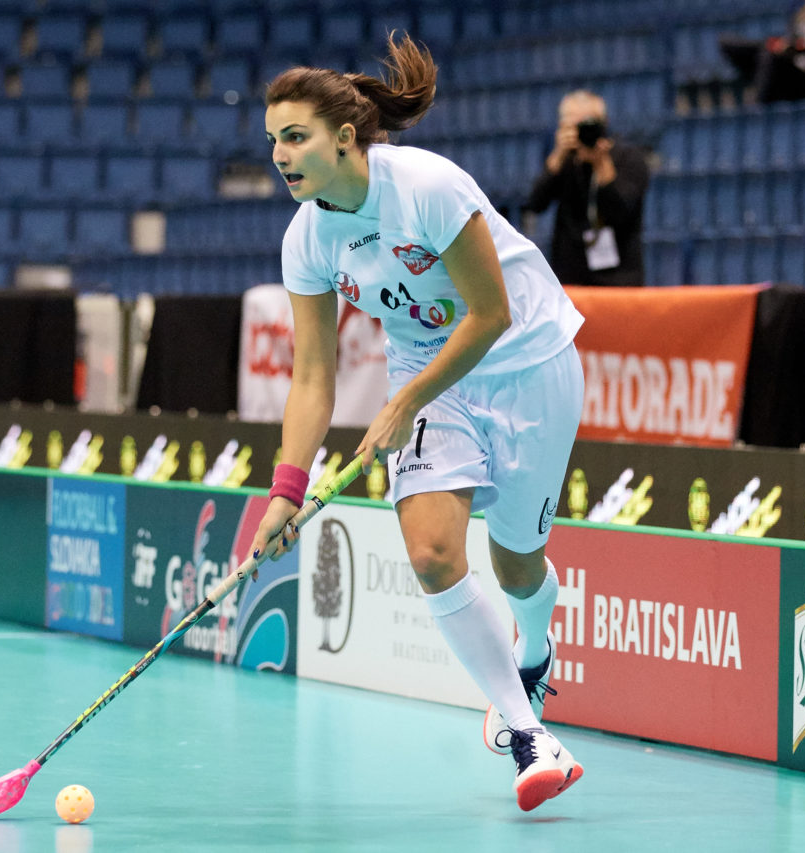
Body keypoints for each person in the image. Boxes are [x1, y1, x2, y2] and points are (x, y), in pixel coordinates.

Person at [251, 33, 587, 812]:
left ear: (344, 138)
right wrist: (286, 490)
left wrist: (402, 403)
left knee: (518, 564)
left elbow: (490, 312)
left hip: (529, 361)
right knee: (433, 553)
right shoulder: (307, 239)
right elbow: (312, 375)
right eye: (272, 141)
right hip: (431, 378)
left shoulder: (426, 186)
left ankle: (533, 649)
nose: (281, 155)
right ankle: (528, 730)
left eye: (294, 136)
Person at [524, 90, 649, 286]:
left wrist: (602, 165)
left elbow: (624, 210)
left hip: (619, 278)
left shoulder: (628, 158)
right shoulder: (564, 162)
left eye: (588, 125)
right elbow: (535, 203)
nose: (582, 133)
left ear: (604, 123)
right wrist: (557, 156)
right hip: (571, 277)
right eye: (573, 126)